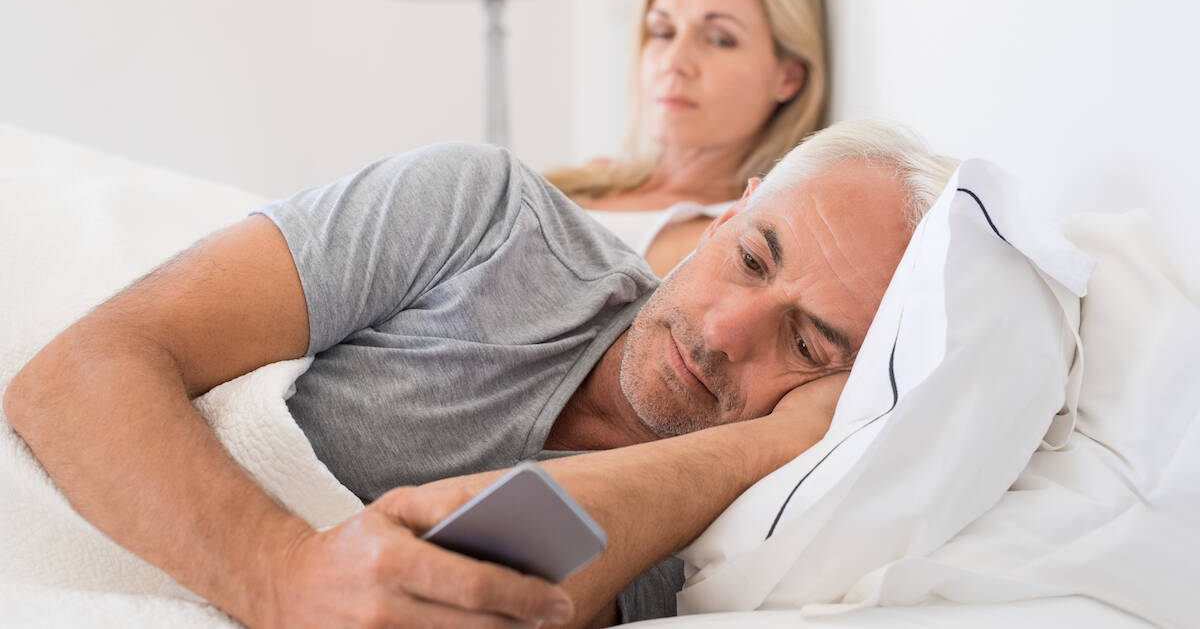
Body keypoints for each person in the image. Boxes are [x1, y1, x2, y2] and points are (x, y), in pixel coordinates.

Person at [4, 120, 956, 628]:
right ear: (728, 214)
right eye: (752, 257)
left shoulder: (732, 532)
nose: (722, 331)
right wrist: (281, 575)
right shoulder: (489, 216)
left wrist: (774, 443)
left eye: (808, 343)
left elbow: (471, 599)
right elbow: (78, 369)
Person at [545, 0, 829, 277]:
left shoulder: (738, 240)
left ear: (789, 78)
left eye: (719, 39)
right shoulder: (588, 177)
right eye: (662, 32)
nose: (674, 62)